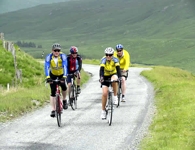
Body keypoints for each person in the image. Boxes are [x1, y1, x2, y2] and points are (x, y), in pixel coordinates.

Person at [44, 43, 68, 118]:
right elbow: (46, 67)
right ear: (52, 51)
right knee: (53, 92)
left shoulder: (63, 56)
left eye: (58, 50)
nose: (57, 52)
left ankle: (64, 100)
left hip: (61, 74)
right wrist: (48, 77)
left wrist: (64, 76)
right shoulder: (49, 57)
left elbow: (65, 66)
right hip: (53, 75)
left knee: (64, 87)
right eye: (55, 50)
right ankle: (53, 109)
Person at [99, 47, 121, 119]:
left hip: (113, 74)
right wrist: (101, 78)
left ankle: (115, 96)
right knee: (105, 93)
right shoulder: (103, 60)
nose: (108, 56)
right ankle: (103, 111)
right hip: (105, 76)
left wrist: (120, 77)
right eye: (107, 55)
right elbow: (101, 70)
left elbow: (118, 69)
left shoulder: (115, 59)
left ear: (112, 55)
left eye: (110, 55)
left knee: (114, 80)